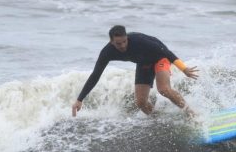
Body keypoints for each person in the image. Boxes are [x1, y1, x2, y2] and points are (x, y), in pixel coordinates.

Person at [71, 25, 199, 117]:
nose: (122, 46)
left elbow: (166, 52)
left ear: (127, 37)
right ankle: (158, 119)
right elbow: (96, 75)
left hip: (160, 57)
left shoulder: (139, 41)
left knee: (163, 89)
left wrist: (183, 68)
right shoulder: (107, 52)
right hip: (143, 63)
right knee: (140, 102)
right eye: (118, 43)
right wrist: (80, 99)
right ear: (111, 41)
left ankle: (191, 113)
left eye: (124, 41)